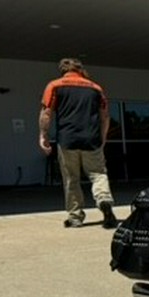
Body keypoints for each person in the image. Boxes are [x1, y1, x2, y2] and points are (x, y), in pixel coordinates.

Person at [38, 58, 118, 229]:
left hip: (67, 140)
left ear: (62, 70)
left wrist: (43, 135)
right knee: (98, 174)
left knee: (71, 179)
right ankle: (104, 200)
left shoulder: (55, 85)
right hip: (92, 139)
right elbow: (105, 116)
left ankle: (75, 217)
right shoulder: (96, 88)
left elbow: (46, 112)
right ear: (81, 70)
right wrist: (102, 138)